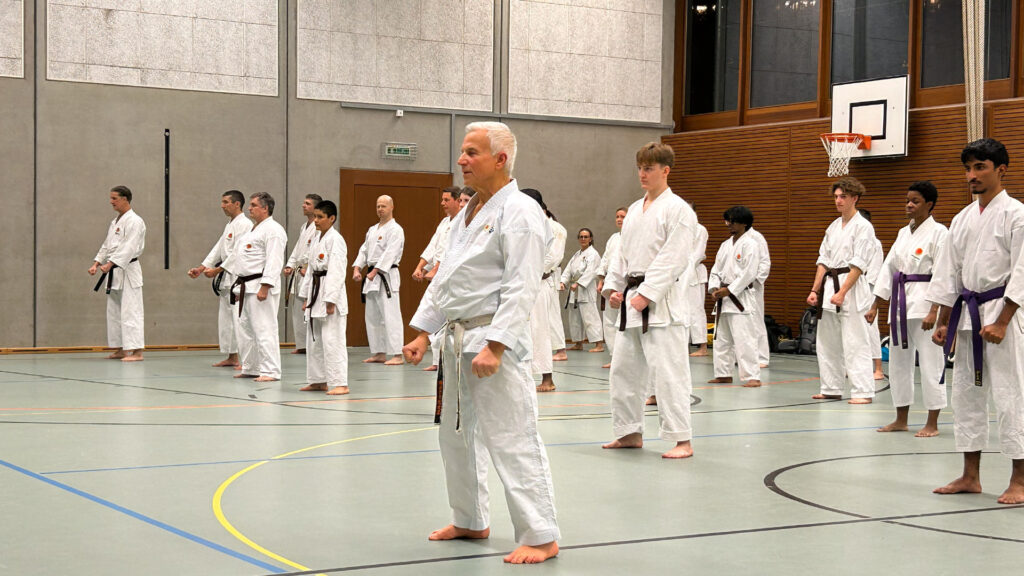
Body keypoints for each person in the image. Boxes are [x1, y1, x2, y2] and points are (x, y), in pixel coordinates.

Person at [402, 121, 560, 564]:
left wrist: (498, 345)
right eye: (462, 151)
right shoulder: (469, 211)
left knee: (511, 436)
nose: (461, 160)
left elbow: (521, 286)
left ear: (501, 159)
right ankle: (471, 518)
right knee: (456, 437)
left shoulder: (522, 212)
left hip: (492, 340)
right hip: (457, 337)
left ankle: (541, 533)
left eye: (471, 152)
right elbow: (449, 278)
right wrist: (423, 331)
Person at [928, 138, 1024, 504]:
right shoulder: (963, 218)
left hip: (1004, 314)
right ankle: (971, 476)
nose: (972, 176)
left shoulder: (1016, 214)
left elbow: (1021, 271)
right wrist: (942, 319)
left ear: (1001, 170)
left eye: (980, 167)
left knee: (1011, 393)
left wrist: (1002, 320)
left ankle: (1019, 479)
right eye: (968, 169)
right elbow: (950, 272)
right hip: (968, 316)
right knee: (967, 394)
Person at [602, 141, 696, 459]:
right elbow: (622, 253)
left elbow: (675, 257)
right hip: (631, 301)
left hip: (662, 304)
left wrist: (647, 292)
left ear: (665, 170)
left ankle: (682, 439)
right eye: (640, 168)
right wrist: (614, 288)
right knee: (623, 371)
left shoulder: (679, 210)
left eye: (649, 168)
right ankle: (628, 432)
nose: (642, 174)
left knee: (669, 372)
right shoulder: (633, 211)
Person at [867, 181, 948, 437]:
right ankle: (901, 418)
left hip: (925, 306)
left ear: (930, 204)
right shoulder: (904, 233)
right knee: (899, 365)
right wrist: (875, 303)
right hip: (900, 306)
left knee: (930, 364)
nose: (909, 205)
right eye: (908, 201)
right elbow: (889, 269)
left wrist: (935, 310)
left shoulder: (939, 233)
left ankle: (932, 422)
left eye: (915, 201)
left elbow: (943, 274)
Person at [806, 177, 877, 404]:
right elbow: (823, 260)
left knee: (855, 341)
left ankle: (863, 391)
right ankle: (831, 387)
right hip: (829, 285)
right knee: (827, 342)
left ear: (855, 198)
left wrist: (843, 291)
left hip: (852, 287)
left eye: (843, 197)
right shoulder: (833, 226)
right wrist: (815, 289)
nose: (838, 200)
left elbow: (859, 264)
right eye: (836, 196)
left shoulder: (863, 227)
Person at [218, 192, 288, 382]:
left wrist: (265, 286)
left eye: (254, 205)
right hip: (244, 285)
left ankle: (271, 371)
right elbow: (241, 261)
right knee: (246, 330)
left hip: (260, 286)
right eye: (250, 205)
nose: (249, 208)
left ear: (265, 208)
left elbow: (274, 261)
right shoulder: (254, 230)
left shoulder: (273, 230)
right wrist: (236, 288)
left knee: (265, 329)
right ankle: (251, 367)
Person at [188, 190, 252, 368]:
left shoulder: (245, 225)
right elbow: (218, 248)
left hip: (237, 276)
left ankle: (245, 358)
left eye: (226, 202)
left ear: (237, 204)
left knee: (240, 319)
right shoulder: (230, 225)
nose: (222, 205)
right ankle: (232, 357)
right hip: (226, 277)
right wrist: (201, 268)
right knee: (226, 320)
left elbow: (238, 253)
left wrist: (217, 270)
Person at [88, 185, 146, 362]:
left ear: (125, 199)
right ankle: (121, 349)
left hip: (128, 270)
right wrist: (97, 263)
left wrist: (111, 263)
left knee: (131, 311)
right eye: (111, 198)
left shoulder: (135, 221)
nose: (111, 201)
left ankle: (137, 352)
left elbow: (129, 247)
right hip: (114, 270)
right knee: (114, 311)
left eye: (114, 198)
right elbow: (107, 245)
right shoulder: (115, 222)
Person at [707, 206, 762, 387]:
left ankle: (752, 376)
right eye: (727, 220)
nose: (729, 224)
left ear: (744, 223)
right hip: (724, 298)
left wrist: (730, 290)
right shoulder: (725, 245)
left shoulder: (751, 244)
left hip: (741, 297)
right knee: (721, 339)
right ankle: (723, 373)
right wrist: (714, 287)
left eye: (733, 221)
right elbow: (716, 269)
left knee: (745, 338)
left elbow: (749, 272)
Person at [300, 200, 349, 395]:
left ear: (332, 218)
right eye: (315, 217)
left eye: (320, 217)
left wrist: (331, 300)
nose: (316, 221)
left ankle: (340, 383)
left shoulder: (336, 240)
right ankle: (318, 380)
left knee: (332, 340)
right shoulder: (317, 238)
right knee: (314, 340)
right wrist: (305, 297)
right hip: (316, 292)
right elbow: (311, 270)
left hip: (330, 295)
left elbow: (337, 271)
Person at [412, 187, 463, 371]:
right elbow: (433, 246)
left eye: (446, 199)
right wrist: (420, 267)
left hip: (448, 273)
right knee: (435, 315)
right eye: (442, 199)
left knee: (444, 317)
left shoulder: (463, 223)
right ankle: (436, 360)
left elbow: (449, 253)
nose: (442, 203)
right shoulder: (444, 223)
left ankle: (440, 360)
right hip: (438, 272)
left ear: (457, 201)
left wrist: (436, 269)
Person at [352, 196, 405, 365]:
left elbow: (391, 252)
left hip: (386, 275)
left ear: (392, 207)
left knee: (391, 315)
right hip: (371, 276)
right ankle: (379, 352)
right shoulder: (372, 229)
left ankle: (397, 354)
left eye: (383, 206)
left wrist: (375, 271)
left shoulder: (396, 229)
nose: (380, 209)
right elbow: (364, 249)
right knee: (373, 316)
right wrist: (357, 267)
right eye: (378, 206)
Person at [522, 188, 557, 392]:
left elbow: (552, 258)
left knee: (540, 330)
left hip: (539, 284)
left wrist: (530, 270)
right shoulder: (526, 225)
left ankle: (547, 378)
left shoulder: (553, 228)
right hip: (525, 283)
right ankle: (527, 375)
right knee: (526, 331)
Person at [283, 194, 322, 355]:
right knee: (297, 310)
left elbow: (316, 251)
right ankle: (302, 345)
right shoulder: (304, 226)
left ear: (315, 207)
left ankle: (312, 344)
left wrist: (309, 267)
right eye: (303, 203)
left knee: (308, 308)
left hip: (309, 270)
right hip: (299, 272)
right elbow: (298, 249)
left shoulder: (318, 228)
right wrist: (289, 265)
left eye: (307, 204)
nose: (303, 206)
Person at [561, 228, 604, 353]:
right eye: (581, 237)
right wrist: (563, 281)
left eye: (586, 237)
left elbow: (592, 272)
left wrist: (579, 283)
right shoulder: (577, 254)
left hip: (586, 289)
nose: (583, 239)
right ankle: (578, 343)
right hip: (574, 290)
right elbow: (568, 270)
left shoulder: (594, 254)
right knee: (575, 318)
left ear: (591, 239)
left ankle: (599, 344)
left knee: (590, 317)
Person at [597, 207, 627, 369]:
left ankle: (624, 358)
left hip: (625, 283)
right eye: (617, 216)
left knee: (623, 321)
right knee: (609, 321)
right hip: (610, 281)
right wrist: (601, 279)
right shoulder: (613, 238)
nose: (619, 219)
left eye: (623, 216)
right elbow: (605, 259)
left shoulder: (632, 237)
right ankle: (614, 356)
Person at [860, 208, 886, 380]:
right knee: (854, 329)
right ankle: (855, 366)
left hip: (868, 287)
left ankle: (878, 368)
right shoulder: (856, 241)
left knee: (871, 328)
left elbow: (876, 271)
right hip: (853, 287)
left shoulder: (875, 243)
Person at [746, 224, 771, 367]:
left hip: (753, 286)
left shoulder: (756, 237)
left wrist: (755, 280)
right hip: (737, 287)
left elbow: (765, 262)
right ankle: (745, 356)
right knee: (742, 322)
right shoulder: (735, 239)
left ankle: (762, 357)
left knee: (756, 320)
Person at [686, 209, 709, 358]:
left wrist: (684, 268)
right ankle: (684, 344)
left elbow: (698, 253)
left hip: (693, 273)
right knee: (682, 310)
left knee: (696, 309)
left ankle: (702, 346)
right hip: (679, 274)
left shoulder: (700, 230)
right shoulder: (680, 228)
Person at [546, 211, 569, 362]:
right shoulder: (541, 225)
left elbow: (555, 256)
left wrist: (541, 270)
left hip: (548, 275)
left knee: (552, 313)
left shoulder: (556, 228)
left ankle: (561, 350)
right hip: (540, 274)